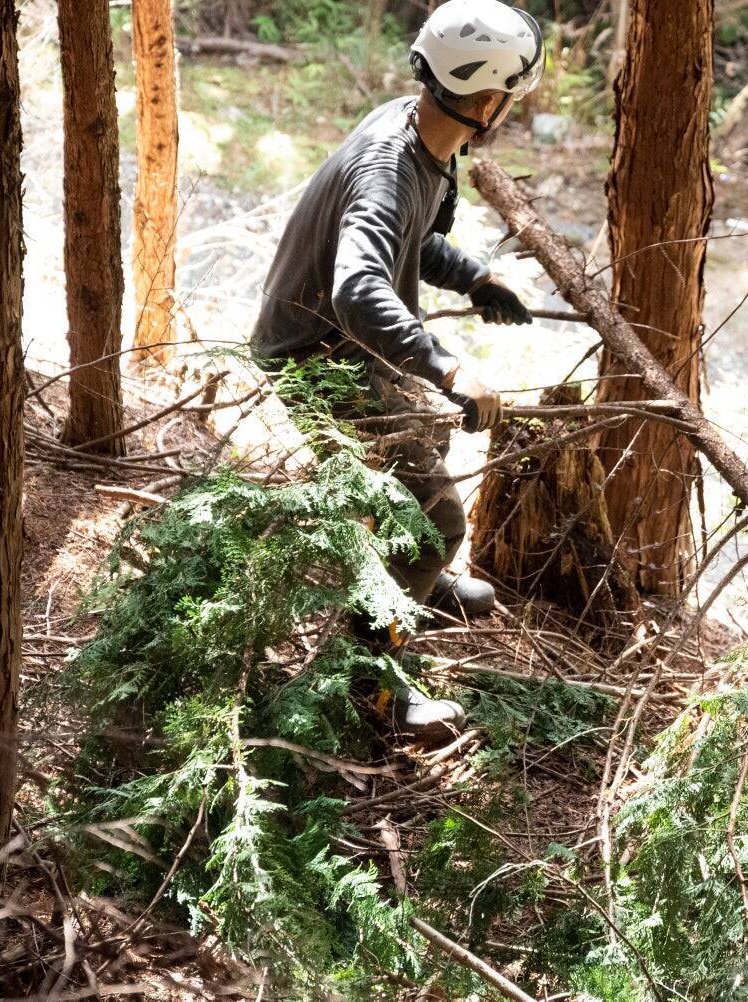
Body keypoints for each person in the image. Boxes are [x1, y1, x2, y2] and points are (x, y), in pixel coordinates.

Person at [251, 0, 544, 734]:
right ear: (484, 102)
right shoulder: (391, 165)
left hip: (342, 341)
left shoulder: (421, 132)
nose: (508, 108)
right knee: (429, 521)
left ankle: (420, 584)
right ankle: (371, 683)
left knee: (420, 443)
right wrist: (447, 366)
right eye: (509, 96)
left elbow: (405, 246)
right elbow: (358, 288)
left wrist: (475, 277)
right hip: (315, 353)